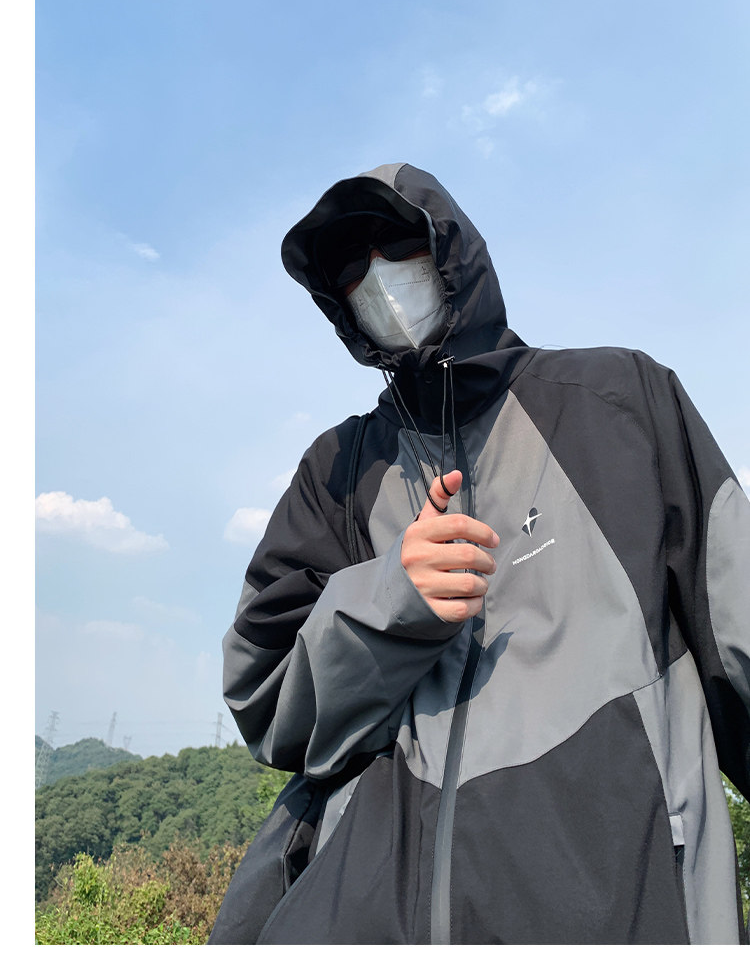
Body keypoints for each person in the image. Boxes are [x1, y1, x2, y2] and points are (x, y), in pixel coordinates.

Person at [209, 162, 750, 945]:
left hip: (624, 913)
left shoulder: (619, 400)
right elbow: (266, 703)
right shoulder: (339, 471)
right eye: (351, 267)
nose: (378, 278)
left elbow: (738, 630)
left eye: (396, 246)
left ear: (451, 252)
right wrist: (389, 599)